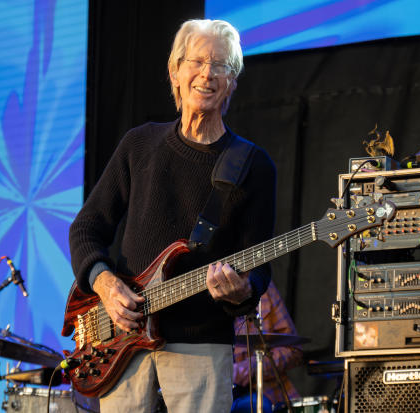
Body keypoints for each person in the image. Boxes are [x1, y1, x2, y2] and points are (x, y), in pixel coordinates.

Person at [69, 19, 277, 413]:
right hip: (122, 342)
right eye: (197, 62)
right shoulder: (139, 144)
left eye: (221, 66)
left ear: (232, 81)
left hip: (201, 346)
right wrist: (107, 286)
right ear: (175, 72)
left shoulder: (253, 165)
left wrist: (242, 292)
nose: (207, 74)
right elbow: (86, 229)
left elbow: (260, 266)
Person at [232, 280, 304, 413]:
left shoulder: (260, 285)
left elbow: (293, 350)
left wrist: (248, 368)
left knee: (250, 406)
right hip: (208, 392)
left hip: (262, 393)